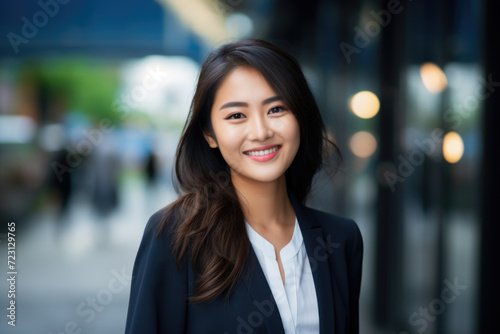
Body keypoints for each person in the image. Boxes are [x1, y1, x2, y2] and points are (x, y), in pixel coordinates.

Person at [125, 38, 363, 334]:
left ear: (300, 116)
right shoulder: (176, 237)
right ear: (210, 134)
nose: (261, 131)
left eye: (276, 109)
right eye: (237, 115)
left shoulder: (341, 240)